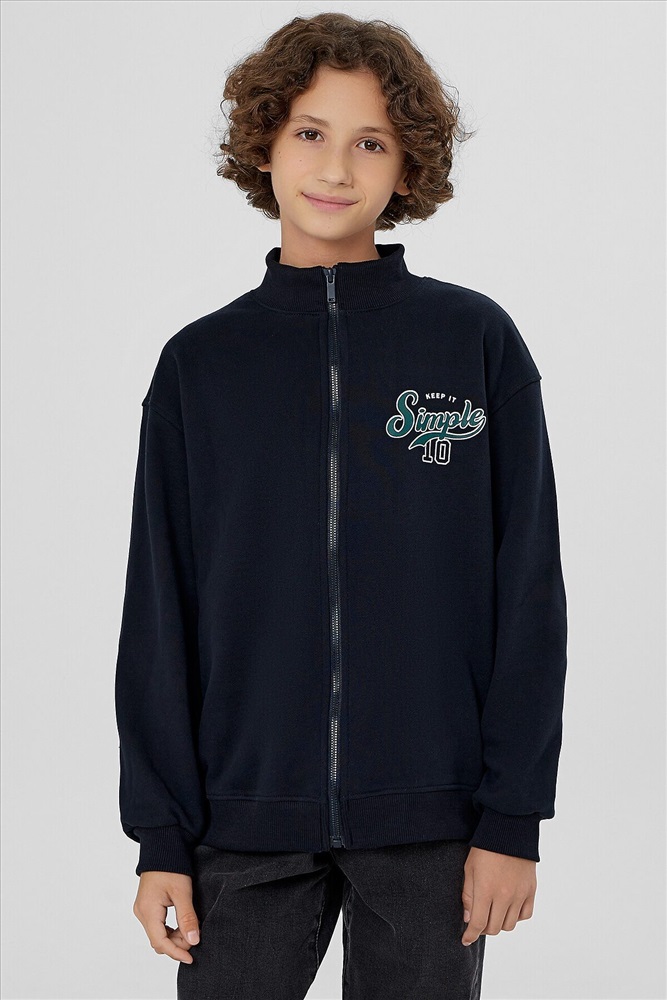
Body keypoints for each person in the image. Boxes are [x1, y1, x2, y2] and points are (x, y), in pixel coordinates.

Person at [114, 12, 568, 1000]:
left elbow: (528, 589)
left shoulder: (473, 343)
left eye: (371, 142)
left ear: (407, 167)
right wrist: (161, 837)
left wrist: (511, 820)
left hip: (433, 823)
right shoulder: (201, 366)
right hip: (240, 819)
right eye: (310, 132)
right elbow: (158, 611)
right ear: (264, 144)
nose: (334, 166)